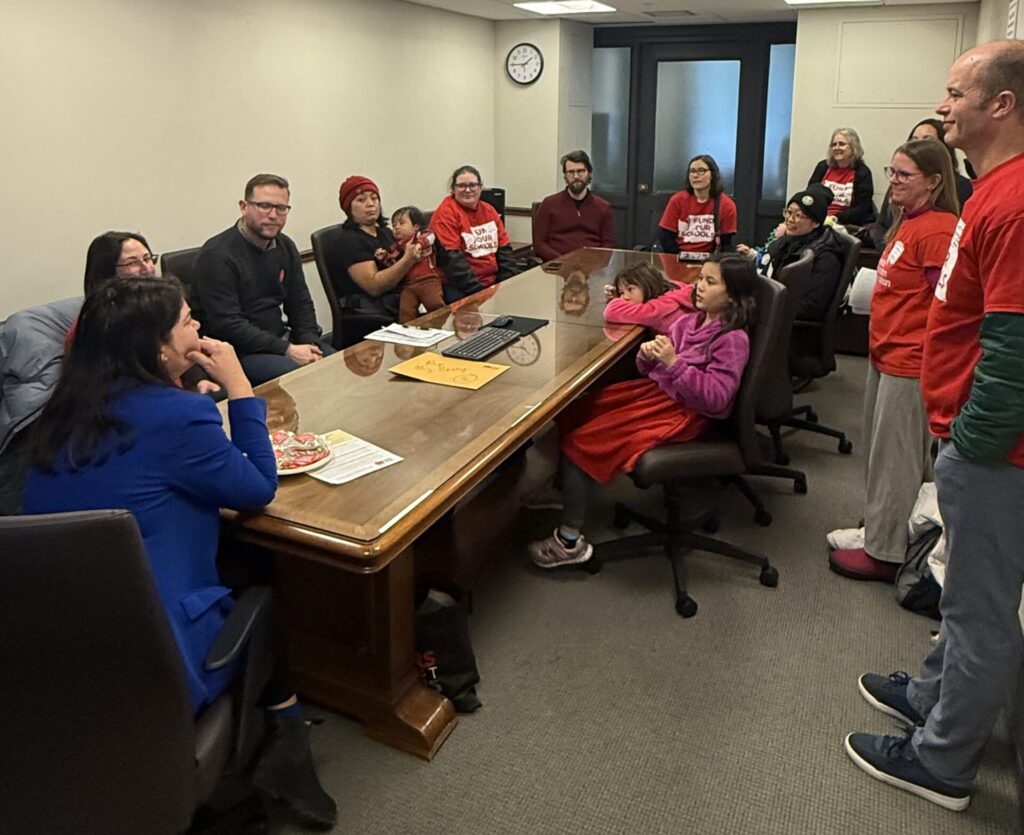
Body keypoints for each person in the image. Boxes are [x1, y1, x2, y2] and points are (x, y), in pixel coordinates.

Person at [21, 277, 337, 829]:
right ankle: (286, 734)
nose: (199, 331)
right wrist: (241, 389)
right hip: (159, 659)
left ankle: (281, 726)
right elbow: (257, 488)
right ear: (159, 348)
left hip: (56, 650)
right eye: (189, 322)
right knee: (264, 572)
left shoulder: (57, 413)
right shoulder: (176, 416)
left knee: (237, 555)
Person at [845, 39, 1024, 812]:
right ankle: (931, 699)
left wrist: (970, 445)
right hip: (966, 436)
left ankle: (944, 761)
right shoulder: (993, 188)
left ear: (1001, 105)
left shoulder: (1015, 201)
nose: (942, 105)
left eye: (956, 92)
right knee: (961, 601)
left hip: (991, 450)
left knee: (980, 611)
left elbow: (1015, 345)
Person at [527, 253, 756, 568]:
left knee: (583, 441)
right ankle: (567, 489)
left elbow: (717, 400)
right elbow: (651, 369)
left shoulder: (732, 339)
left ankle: (569, 542)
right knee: (575, 411)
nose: (699, 287)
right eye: (700, 278)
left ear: (733, 295)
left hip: (683, 414)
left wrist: (674, 364)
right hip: (660, 393)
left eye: (710, 282)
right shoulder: (690, 320)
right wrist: (649, 356)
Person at [828, 139, 959, 582]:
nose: (894, 183)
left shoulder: (939, 229)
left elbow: (948, 306)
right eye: (892, 172)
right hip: (886, 353)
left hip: (911, 361)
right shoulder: (910, 221)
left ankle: (884, 553)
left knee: (895, 460)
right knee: (887, 456)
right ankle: (883, 530)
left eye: (905, 176)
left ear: (934, 182)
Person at [195, 173, 332, 387]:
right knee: (299, 378)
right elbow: (228, 324)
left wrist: (309, 343)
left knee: (334, 363)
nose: (273, 215)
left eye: (281, 208)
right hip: (237, 351)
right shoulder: (217, 255)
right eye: (264, 206)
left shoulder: (285, 245)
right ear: (244, 206)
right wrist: (287, 350)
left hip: (278, 339)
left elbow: (300, 303)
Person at [326, 175, 424, 321]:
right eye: (361, 200)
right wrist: (408, 260)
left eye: (374, 198)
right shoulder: (349, 241)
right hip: (373, 313)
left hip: (400, 300)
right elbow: (374, 286)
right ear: (348, 208)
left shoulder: (385, 232)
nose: (370, 204)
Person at [751, 185, 846, 321]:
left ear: (816, 223)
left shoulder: (825, 256)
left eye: (798, 216)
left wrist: (769, 309)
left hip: (790, 324)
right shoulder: (783, 242)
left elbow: (812, 306)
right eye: (789, 212)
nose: (790, 219)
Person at [430, 165, 520, 297]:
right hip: (460, 286)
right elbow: (452, 262)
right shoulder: (445, 214)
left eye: (472, 185)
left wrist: (506, 285)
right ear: (453, 189)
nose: (467, 190)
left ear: (480, 187)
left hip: (492, 282)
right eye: (461, 186)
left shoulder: (489, 210)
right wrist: (479, 293)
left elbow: (504, 250)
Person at [532, 150, 616, 262]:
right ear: (565, 176)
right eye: (570, 172)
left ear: (589, 173)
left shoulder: (603, 207)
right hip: (557, 268)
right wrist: (563, 261)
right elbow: (539, 244)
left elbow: (609, 245)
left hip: (592, 269)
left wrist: (593, 262)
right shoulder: (549, 204)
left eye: (580, 171)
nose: (576, 176)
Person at [658, 154, 738, 260]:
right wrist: (682, 260)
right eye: (692, 171)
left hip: (710, 260)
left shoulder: (726, 205)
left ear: (712, 175)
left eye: (701, 170)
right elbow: (666, 238)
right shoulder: (677, 200)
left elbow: (726, 243)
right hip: (678, 257)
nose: (696, 175)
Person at [602, 261, 695, 334]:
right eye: (621, 292)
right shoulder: (674, 289)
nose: (624, 297)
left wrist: (616, 301)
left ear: (647, 284)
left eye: (630, 289)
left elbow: (610, 311)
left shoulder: (657, 309)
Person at [807, 128, 876, 226]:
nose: (837, 147)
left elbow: (863, 208)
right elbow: (809, 196)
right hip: (817, 219)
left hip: (846, 223)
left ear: (853, 147)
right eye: (834, 144)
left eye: (842, 144)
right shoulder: (823, 167)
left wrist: (835, 218)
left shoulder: (862, 172)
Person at [392, 205, 445, 324]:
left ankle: (440, 326)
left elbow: (431, 237)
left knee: (434, 304)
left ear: (415, 226)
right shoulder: (397, 246)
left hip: (428, 279)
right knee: (406, 311)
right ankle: (407, 334)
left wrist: (420, 244)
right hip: (409, 284)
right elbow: (392, 262)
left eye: (401, 223)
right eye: (394, 225)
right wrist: (383, 257)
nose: (397, 227)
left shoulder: (421, 236)